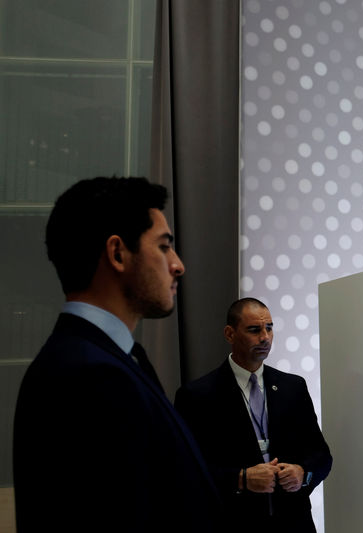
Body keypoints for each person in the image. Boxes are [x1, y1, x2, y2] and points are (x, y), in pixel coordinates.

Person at [13, 177, 221, 532]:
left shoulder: (106, 360)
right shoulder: (91, 377)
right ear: (118, 253)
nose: (178, 265)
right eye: (164, 246)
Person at [175, 297, 332, 532]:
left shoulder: (293, 387)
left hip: (294, 522)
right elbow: (184, 470)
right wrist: (241, 478)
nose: (265, 337)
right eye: (254, 330)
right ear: (230, 334)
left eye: (269, 328)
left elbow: (321, 456)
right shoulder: (196, 396)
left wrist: (303, 473)